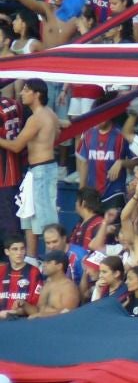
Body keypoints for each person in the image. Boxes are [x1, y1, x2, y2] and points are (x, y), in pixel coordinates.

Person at [0, 79, 59, 257]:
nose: (21, 93)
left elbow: (17, 146)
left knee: (46, 223)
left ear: (37, 94)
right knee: (29, 220)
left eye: (26, 90)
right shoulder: (49, 114)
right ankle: (32, 260)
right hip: (37, 171)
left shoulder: (37, 118)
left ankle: (56, 260)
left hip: (42, 171)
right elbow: (60, 130)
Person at [24, 250, 79, 318]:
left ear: (59, 266)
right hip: (41, 325)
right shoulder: (46, 285)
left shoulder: (69, 288)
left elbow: (68, 314)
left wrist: (41, 316)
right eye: (44, 262)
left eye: (48, 263)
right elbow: (38, 311)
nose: (44, 265)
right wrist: (24, 305)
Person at [0, 235, 43, 319]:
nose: (19, 253)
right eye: (15, 249)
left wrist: (22, 307)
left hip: (22, 321)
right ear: (7, 252)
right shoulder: (1, 271)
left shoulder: (34, 272)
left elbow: (37, 310)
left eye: (22, 249)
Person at [0, 96, 23, 243]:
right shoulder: (14, 104)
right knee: (13, 226)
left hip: (3, 178)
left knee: (8, 229)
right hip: (15, 172)